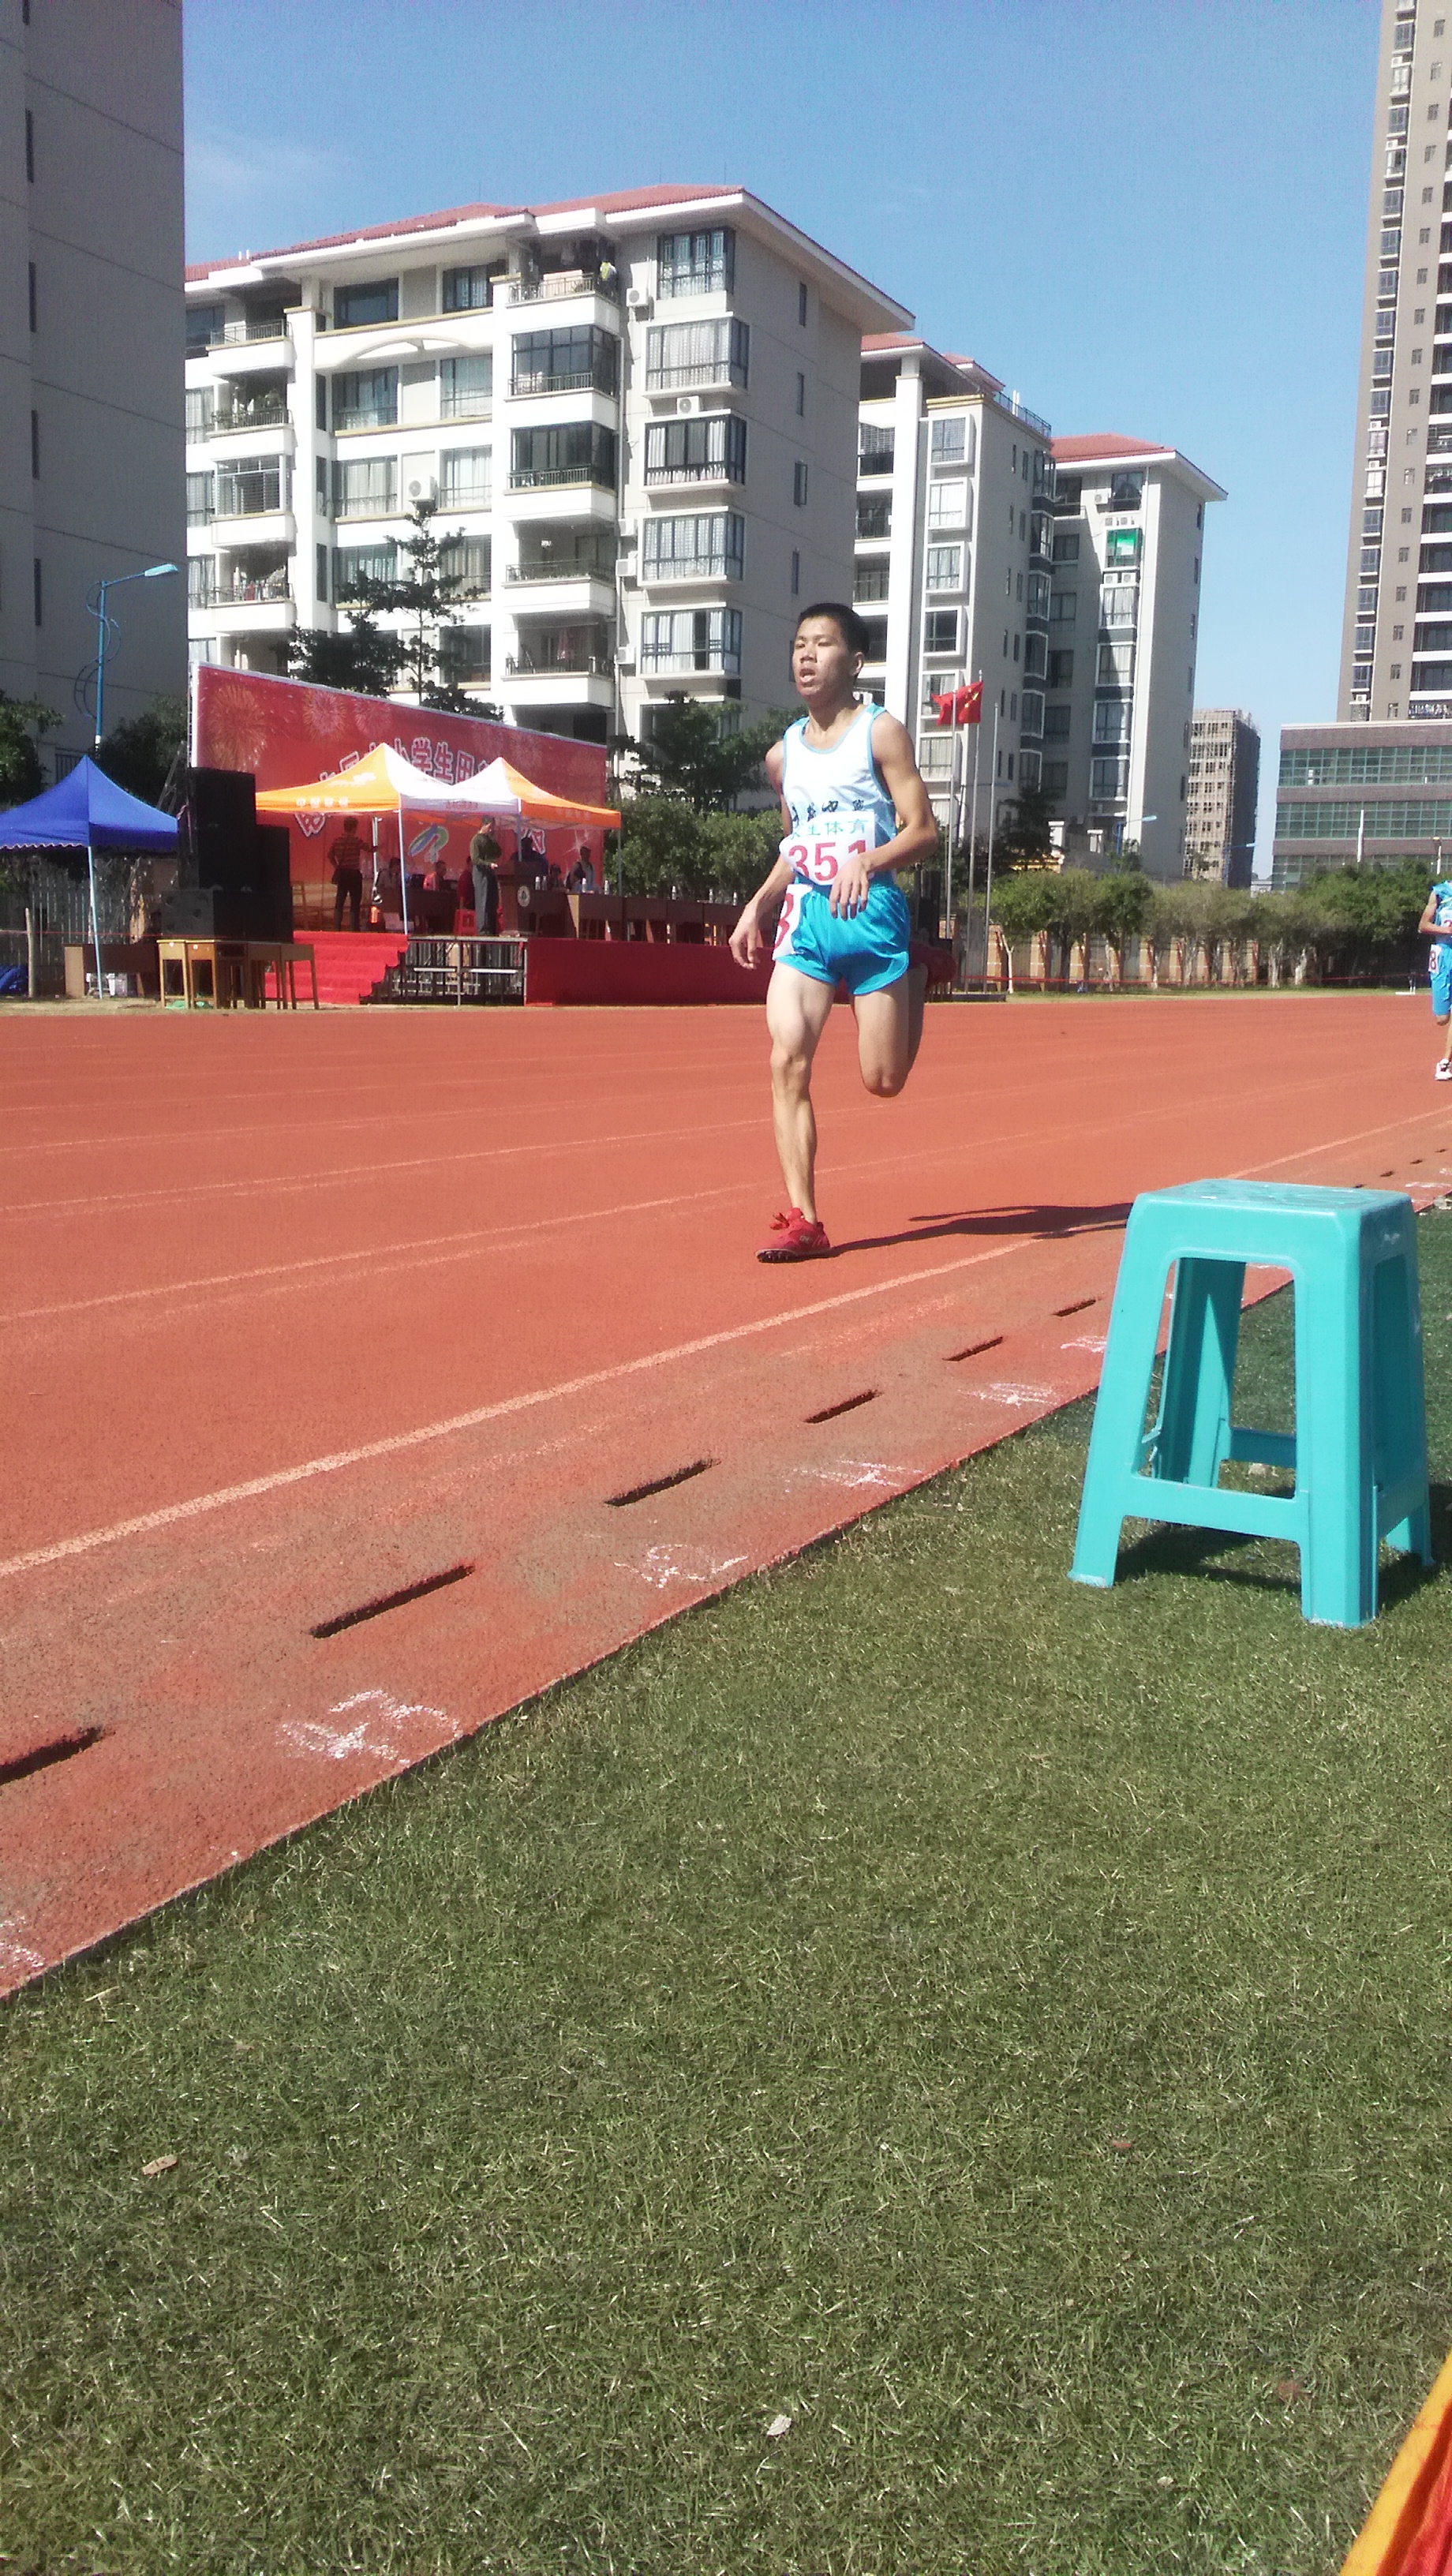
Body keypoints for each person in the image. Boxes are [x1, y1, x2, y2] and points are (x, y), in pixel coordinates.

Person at [728, 601, 939, 1260]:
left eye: (822, 644)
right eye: (800, 644)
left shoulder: (882, 734)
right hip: (809, 921)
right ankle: (805, 1220)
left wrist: (869, 861)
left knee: (884, 1081)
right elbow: (797, 846)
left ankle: (915, 980)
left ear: (856, 662)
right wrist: (757, 905)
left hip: (872, 914)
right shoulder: (782, 756)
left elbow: (924, 831)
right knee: (785, 1057)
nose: (807, 655)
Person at [1417, 872, 1452, 1077]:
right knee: (1442, 1018)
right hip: (1442, 955)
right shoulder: (1440, 893)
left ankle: (1445, 1062)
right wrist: (1447, 931)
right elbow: (1423, 926)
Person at [327, 815, 365, 932]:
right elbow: (369, 849)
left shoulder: (337, 841)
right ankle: (354, 928)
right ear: (354, 827)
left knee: (340, 901)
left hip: (343, 873)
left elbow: (330, 856)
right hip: (354, 874)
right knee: (355, 903)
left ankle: (337, 927)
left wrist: (337, 866)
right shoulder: (356, 840)